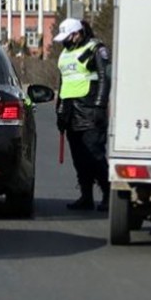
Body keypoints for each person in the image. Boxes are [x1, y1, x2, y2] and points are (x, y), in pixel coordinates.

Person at [53, 17, 111, 211]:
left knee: (95, 155)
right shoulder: (65, 54)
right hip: (71, 111)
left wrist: (99, 107)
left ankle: (108, 194)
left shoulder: (95, 49)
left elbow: (105, 78)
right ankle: (86, 196)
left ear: (77, 34)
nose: (64, 42)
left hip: (90, 109)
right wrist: (60, 109)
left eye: (67, 37)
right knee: (79, 157)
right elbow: (63, 83)